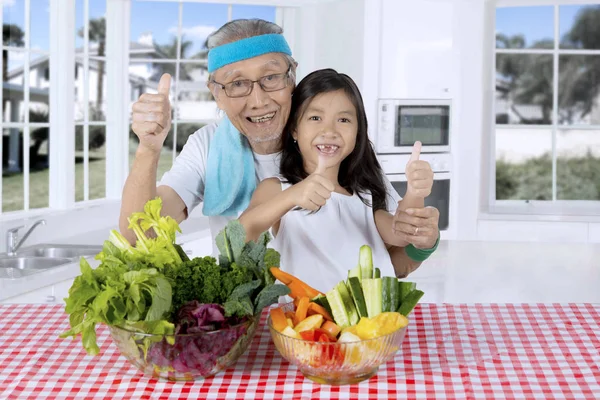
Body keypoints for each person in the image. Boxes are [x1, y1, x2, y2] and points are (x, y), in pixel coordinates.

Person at [121, 18, 440, 277]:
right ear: (216, 93)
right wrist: (148, 149)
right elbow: (138, 238)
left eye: (271, 77)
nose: (258, 100)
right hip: (247, 326)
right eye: (236, 84)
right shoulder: (207, 147)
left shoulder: (339, 151)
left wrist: (423, 242)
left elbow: (397, 256)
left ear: (292, 75)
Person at [238, 69, 438, 290]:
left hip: (372, 322)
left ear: (358, 133)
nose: (329, 130)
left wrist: (415, 193)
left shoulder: (364, 197)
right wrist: (292, 196)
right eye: (315, 118)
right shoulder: (278, 189)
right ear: (294, 129)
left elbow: (401, 235)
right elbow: (241, 235)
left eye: (343, 119)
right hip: (307, 321)